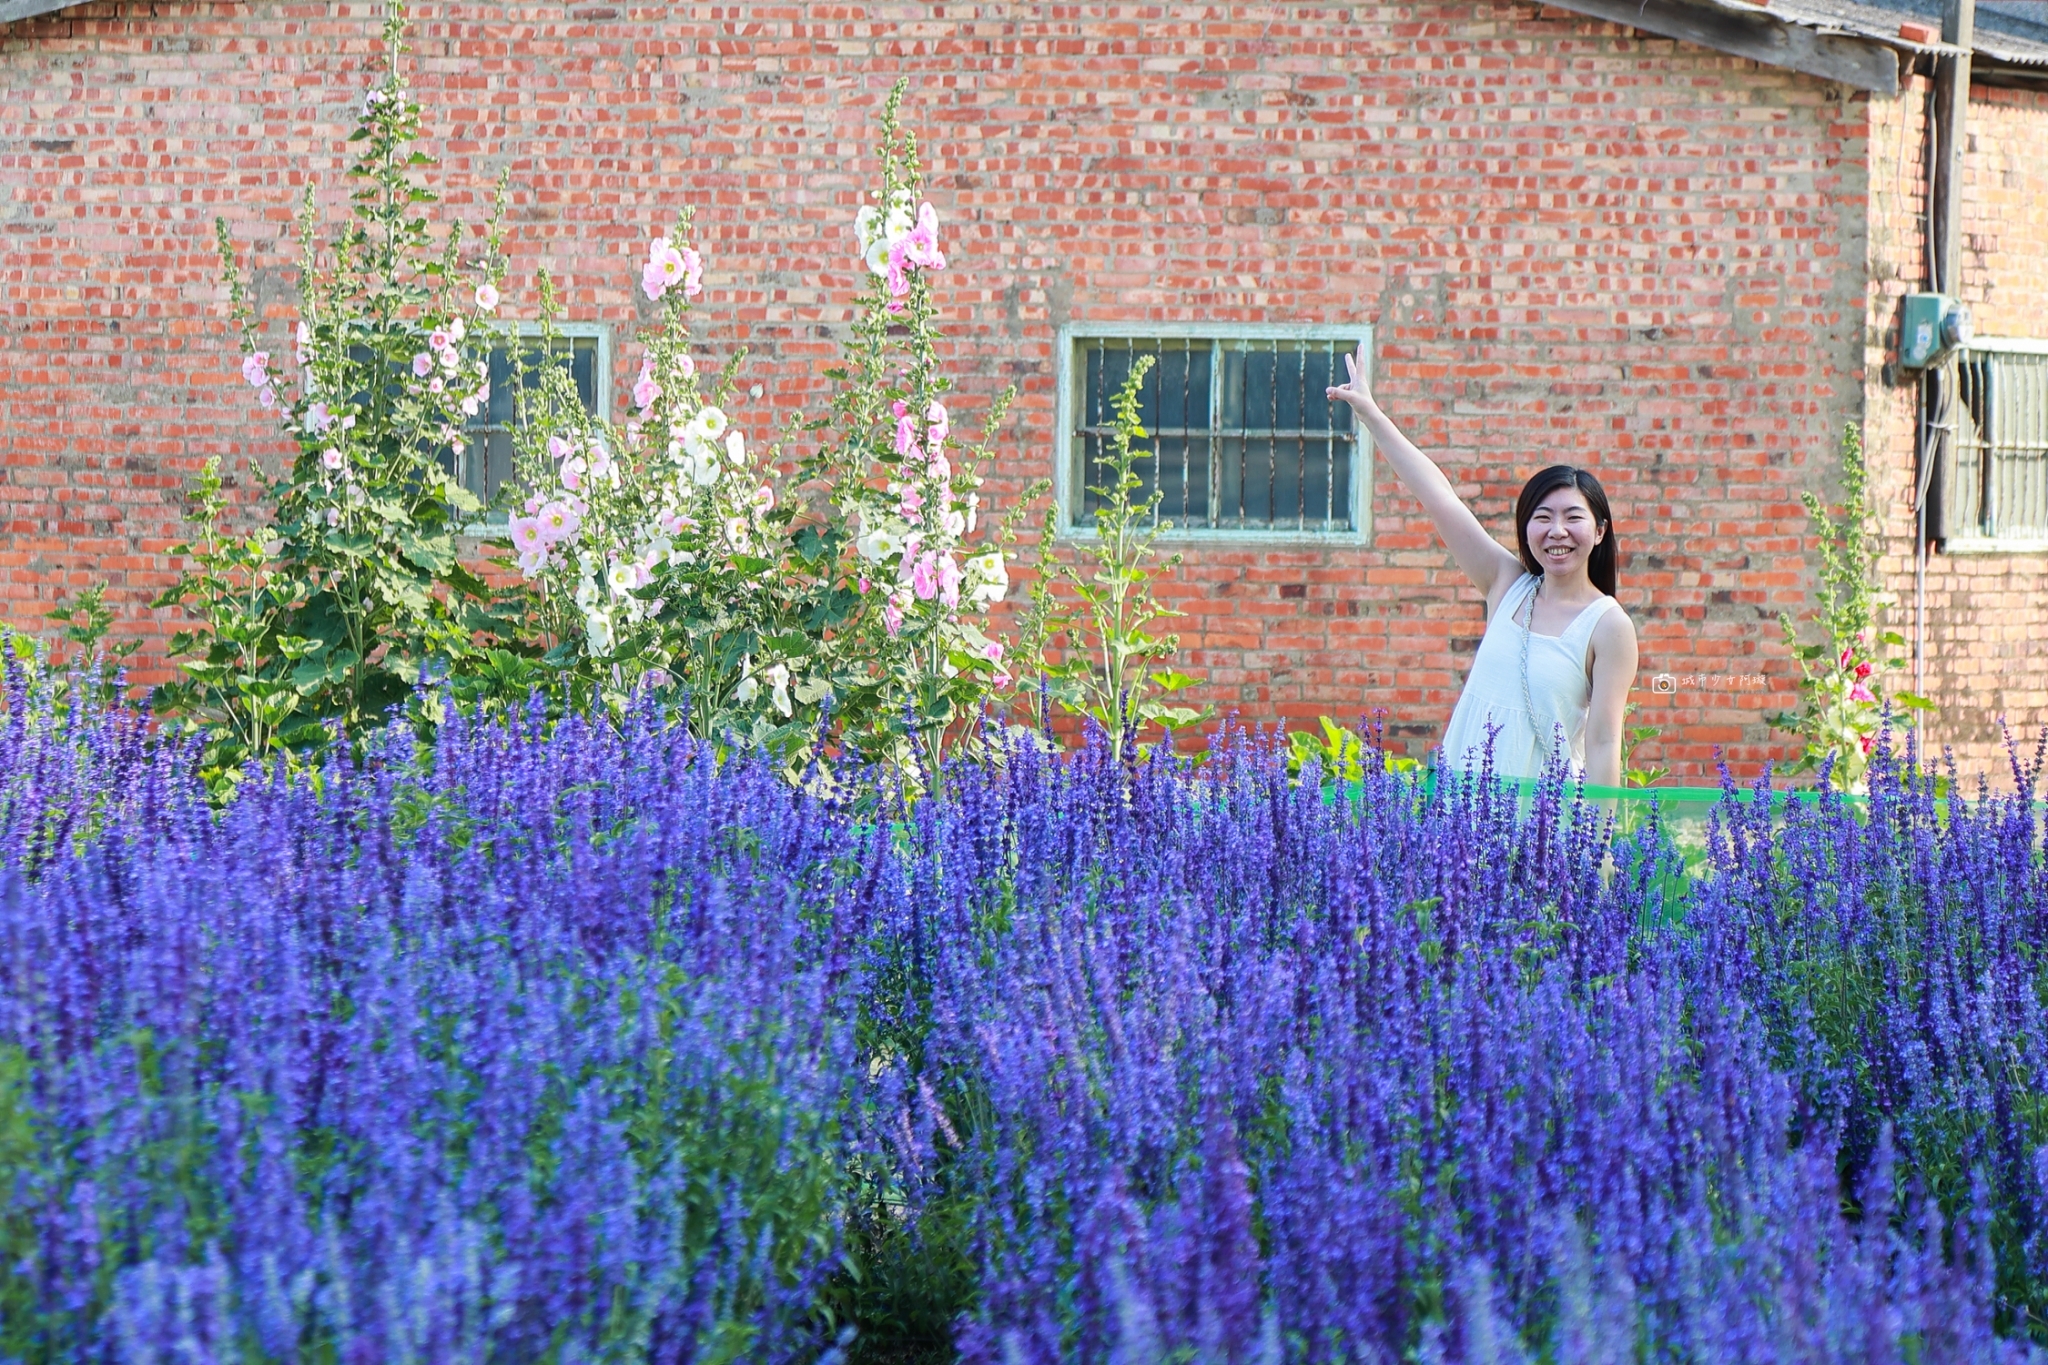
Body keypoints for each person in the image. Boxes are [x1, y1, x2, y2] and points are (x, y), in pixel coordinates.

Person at [1326, 343, 1640, 787]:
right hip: (1462, 817)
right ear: (1526, 527)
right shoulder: (1507, 583)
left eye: (1573, 518)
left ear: (1600, 531)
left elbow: (1605, 742)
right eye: (1543, 518)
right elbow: (1439, 497)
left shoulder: (1608, 626)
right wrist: (1373, 417)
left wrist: (1602, 846)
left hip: (1542, 827)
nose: (1557, 532)